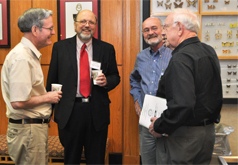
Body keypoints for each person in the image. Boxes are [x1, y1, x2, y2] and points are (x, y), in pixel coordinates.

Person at [149, 8, 223, 164]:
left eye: (166, 27)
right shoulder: (209, 51)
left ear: (180, 28)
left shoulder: (181, 58)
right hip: (207, 134)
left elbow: (183, 105)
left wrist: (159, 126)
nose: (163, 32)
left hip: (184, 138)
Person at [46, 9, 120, 164]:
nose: (87, 25)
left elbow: (115, 77)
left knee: (96, 159)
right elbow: (53, 80)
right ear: (75, 25)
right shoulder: (60, 47)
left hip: (97, 111)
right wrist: (50, 110)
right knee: (71, 159)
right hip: (70, 112)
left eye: (91, 22)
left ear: (95, 26)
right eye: (83, 22)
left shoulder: (106, 48)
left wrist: (107, 81)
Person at [1, 8, 62, 165]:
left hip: (32, 130)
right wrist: (48, 98)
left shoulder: (28, 55)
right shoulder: (22, 57)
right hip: (29, 132)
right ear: (35, 30)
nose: (54, 32)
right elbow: (18, 102)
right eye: (50, 28)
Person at [129, 17, 172, 165]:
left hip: (168, 120)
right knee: (148, 162)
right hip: (146, 122)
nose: (151, 33)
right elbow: (134, 80)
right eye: (146, 30)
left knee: (166, 161)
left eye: (154, 28)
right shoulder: (141, 57)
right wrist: (136, 100)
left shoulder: (175, 55)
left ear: (163, 30)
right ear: (142, 33)